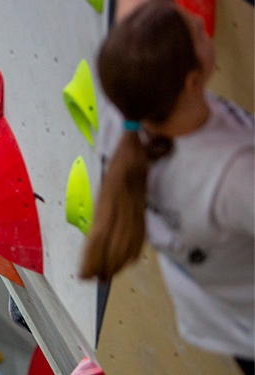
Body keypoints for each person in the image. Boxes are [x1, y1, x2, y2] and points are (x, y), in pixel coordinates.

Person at [79, 1, 254, 374]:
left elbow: (132, 19)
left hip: (218, 315)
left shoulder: (125, 117)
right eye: (196, 31)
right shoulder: (231, 177)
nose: (195, 16)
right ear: (192, 81)